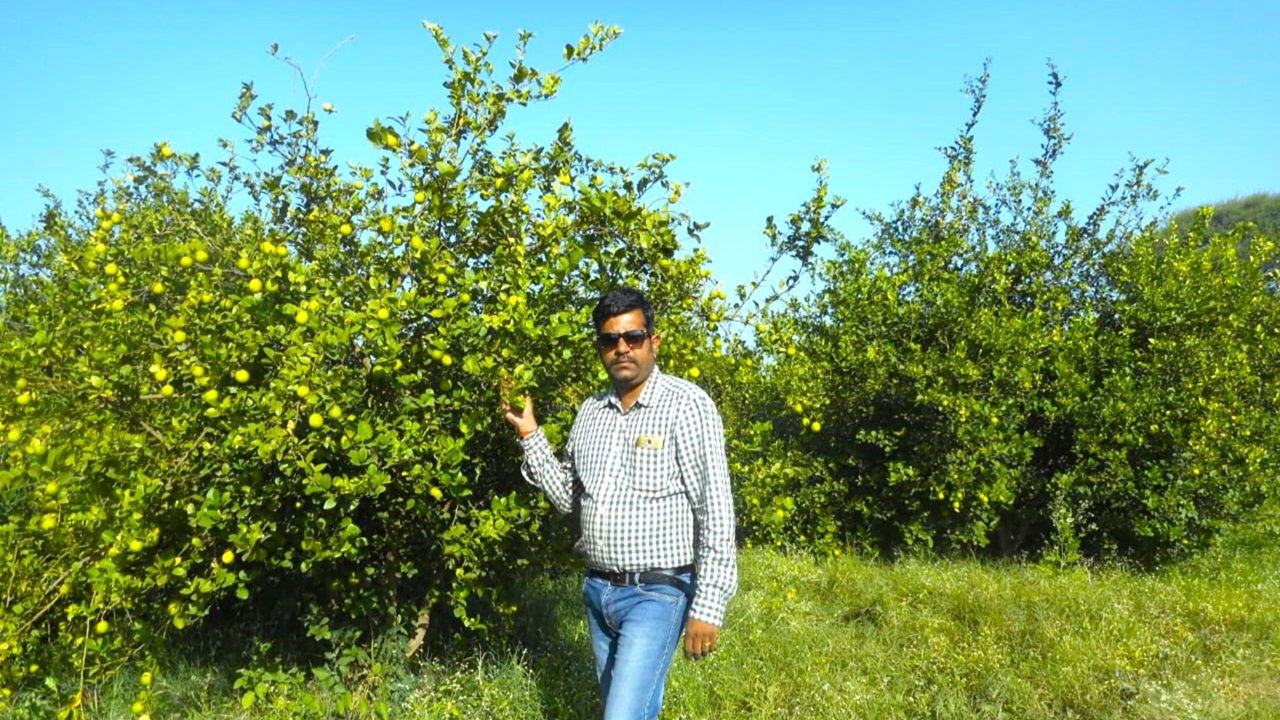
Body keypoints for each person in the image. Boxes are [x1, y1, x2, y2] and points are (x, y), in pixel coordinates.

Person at [502, 286, 738, 720]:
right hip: (598, 591)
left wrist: (708, 606)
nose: (622, 348)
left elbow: (715, 509)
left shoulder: (686, 405)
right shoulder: (590, 413)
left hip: (658, 591)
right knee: (626, 710)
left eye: (633, 336)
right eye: (611, 340)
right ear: (600, 347)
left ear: (654, 341)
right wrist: (530, 434)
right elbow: (567, 499)